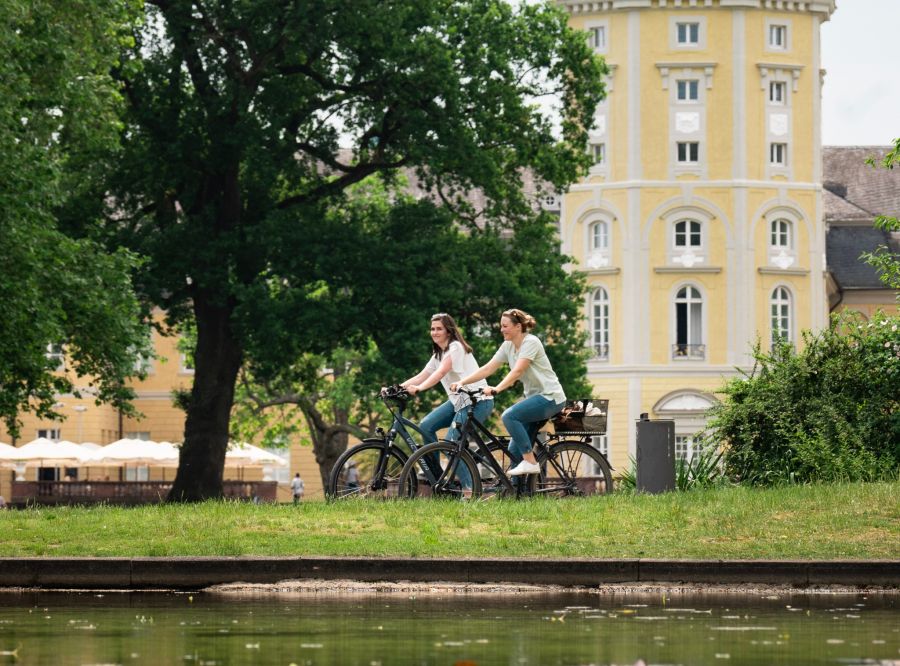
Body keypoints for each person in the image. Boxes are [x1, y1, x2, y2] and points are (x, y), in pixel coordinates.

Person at [453, 308, 566, 477]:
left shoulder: (531, 342)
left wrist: (497, 388)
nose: (501, 329)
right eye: (501, 326)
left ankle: (530, 462)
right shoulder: (508, 346)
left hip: (550, 398)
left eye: (505, 326)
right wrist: (463, 381)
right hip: (535, 398)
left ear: (518, 327)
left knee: (509, 416)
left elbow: (518, 371)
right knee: (514, 450)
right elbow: (488, 368)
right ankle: (519, 495)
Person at [399, 313, 494, 446]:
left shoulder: (456, 347)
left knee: (451, 444)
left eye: (439, 329)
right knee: (426, 426)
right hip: (459, 401)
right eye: (432, 329)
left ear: (449, 332)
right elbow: (422, 375)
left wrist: (420, 388)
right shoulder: (438, 354)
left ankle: (463, 465)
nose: (434, 332)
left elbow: (441, 371)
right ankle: (434, 467)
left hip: (477, 401)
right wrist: (396, 388)